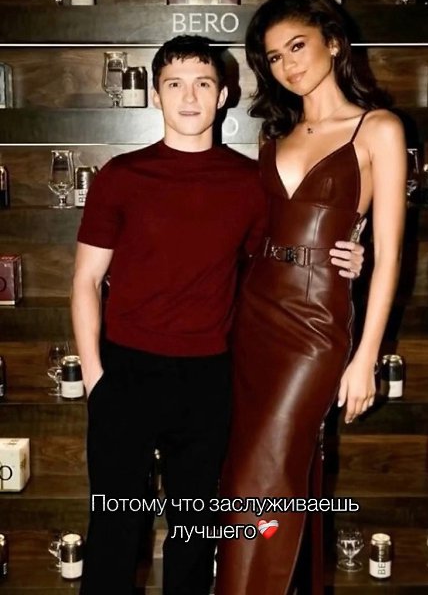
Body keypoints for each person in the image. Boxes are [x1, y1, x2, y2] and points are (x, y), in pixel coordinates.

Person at [71, 35, 363, 595]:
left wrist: (353, 251)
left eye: (203, 83)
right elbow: (84, 280)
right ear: (155, 95)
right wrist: (95, 377)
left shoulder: (250, 181)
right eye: (175, 84)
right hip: (125, 372)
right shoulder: (121, 175)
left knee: (194, 535)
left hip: (209, 377)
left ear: (223, 94)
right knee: (114, 528)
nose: (189, 97)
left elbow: (286, 255)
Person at [214, 0, 406, 594]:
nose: (288, 65)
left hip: (318, 322)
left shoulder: (379, 128)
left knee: (264, 472)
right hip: (255, 313)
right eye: (274, 57)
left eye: (297, 46)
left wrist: (366, 356)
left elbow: (390, 254)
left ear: (333, 41)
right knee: (255, 470)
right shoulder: (274, 137)